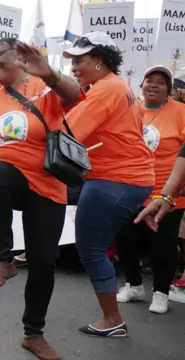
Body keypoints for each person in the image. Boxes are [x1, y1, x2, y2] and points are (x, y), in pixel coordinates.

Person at [0, 38, 81, 360]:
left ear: (18, 56)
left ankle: (33, 333)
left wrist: (48, 72)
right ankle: (2, 259)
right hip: (8, 176)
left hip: (47, 185)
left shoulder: (42, 84)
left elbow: (74, 94)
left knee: (43, 262)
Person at [63, 32, 155, 337]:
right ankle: (112, 316)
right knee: (95, 247)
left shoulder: (105, 89)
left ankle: (112, 320)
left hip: (116, 178)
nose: (73, 68)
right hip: (123, 178)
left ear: (99, 61)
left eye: (79, 61)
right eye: (72, 62)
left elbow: (67, 133)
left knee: (91, 248)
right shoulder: (113, 86)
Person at [114, 66, 185, 314]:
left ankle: (161, 292)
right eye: (149, 81)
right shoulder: (131, 110)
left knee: (162, 244)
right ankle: (133, 285)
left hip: (166, 193)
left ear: (170, 90)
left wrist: (175, 191)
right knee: (125, 239)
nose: (154, 85)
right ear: (141, 85)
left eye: (161, 82)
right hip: (130, 189)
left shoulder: (181, 112)